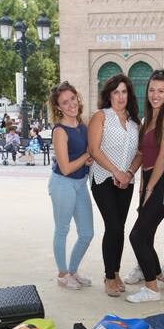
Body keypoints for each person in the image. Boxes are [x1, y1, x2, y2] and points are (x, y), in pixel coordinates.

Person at [124, 70, 164, 303]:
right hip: (148, 181)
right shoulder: (148, 120)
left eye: (161, 90)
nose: (155, 95)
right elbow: (142, 154)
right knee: (145, 235)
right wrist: (138, 181)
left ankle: (151, 289)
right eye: (152, 90)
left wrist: (150, 188)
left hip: (163, 182)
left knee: (137, 236)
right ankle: (157, 275)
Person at [87, 74, 142, 296]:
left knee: (120, 228)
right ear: (108, 95)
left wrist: (128, 173)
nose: (120, 96)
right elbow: (94, 149)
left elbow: (139, 153)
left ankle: (116, 271)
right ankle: (109, 276)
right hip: (103, 179)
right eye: (116, 92)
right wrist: (115, 171)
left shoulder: (135, 121)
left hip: (125, 182)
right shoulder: (101, 116)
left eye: (124, 92)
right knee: (113, 226)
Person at [48, 82, 95, 290]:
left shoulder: (83, 124)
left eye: (72, 99)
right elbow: (66, 167)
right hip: (62, 184)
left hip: (81, 184)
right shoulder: (60, 131)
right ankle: (62, 274)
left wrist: (88, 159)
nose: (70, 105)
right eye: (64, 102)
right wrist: (87, 155)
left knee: (87, 233)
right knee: (62, 230)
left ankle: (73, 270)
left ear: (78, 98)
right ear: (58, 107)